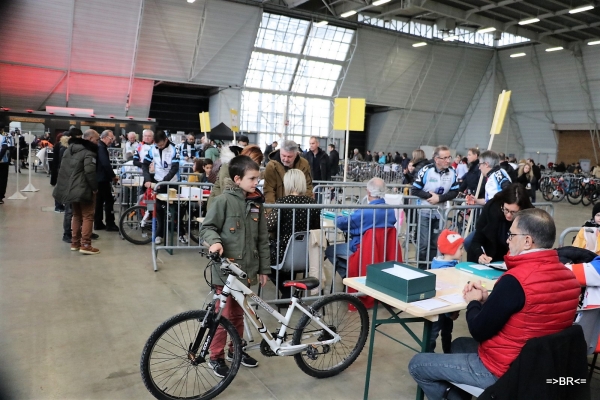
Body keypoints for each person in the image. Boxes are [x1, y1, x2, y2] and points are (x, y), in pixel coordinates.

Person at [409, 209, 581, 399]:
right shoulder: (570, 278)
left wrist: (474, 302)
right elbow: (529, 314)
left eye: (511, 235)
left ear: (527, 241)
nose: (507, 240)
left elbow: (479, 329)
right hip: (541, 368)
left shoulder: (516, 281)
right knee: (458, 345)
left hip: (504, 370)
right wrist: (488, 301)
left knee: (417, 364)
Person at [199, 155, 270, 377]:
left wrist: (264, 269)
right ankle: (216, 356)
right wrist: (216, 241)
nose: (256, 183)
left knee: (239, 315)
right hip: (226, 272)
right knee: (223, 316)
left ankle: (236, 350)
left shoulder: (256, 204)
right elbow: (207, 228)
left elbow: (262, 240)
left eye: (258, 178)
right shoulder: (223, 202)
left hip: (247, 272)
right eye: (252, 178)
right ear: (237, 179)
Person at [325, 178, 396, 277]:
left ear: (368, 192)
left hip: (362, 248)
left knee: (330, 250)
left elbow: (345, 223)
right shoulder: (390, 211)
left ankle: (348, 275)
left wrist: (337, 217)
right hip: (384, 250)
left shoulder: (365, 212)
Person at [266, 169, 320, 298]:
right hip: (306, 254)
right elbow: (316, 228)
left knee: (261, 259)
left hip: (283, 252)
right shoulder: (313, 204)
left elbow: (270, 226)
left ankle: (287, 292)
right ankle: (291, 292)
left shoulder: (282, 203)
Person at [53, 129, 101, 255]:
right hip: (84, 188)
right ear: (90, 139)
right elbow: (89, 172)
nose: (98, 143)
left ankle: (75, 242)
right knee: (88, 215)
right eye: (96, 140)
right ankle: (86, 244)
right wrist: (95, 188)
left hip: (71, 188)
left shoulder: (69, 149)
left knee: (77, 215)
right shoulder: (89, 152)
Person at [411, 145, 459, 269]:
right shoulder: (426, 170)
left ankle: (431, 269)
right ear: (437, 159)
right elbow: (415, 190)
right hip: (424, 211)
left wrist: (440, 198)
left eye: (449, 157)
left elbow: (455, 191)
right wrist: (429, 196)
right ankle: (421, 269)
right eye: (445, 158)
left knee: (435, 243)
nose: (448, 160)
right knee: (423, 243)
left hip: (440, 213)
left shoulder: (452, 172)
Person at [467, 183, 533, 264]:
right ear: (502, 204)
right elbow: (477, 239)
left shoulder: (531, 217)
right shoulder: (491, 208)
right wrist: (480, 254)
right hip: (489, 259)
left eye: (514, 212)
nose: (508, 215)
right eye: (506, 210)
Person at [142, 130, 185, 244]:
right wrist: (147, 179)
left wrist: (164, 181)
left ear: (166, 140)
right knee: (159, 209)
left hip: (172, 183)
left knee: (177, 210)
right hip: (158, 181)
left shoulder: (174, 149)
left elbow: (175, 168)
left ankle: (181, 233)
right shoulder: (153, 149)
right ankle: (159, 234)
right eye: (157, 145)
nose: (159, 147)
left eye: (161, 145)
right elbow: (145, 164)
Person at [429, 229, 464, 354]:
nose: (462, 251)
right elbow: (445, 293)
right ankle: (429, 356)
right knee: (434, 334)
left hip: (447, 309)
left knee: (445, 332)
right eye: (460, 248)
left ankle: (446, 354)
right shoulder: (445, 270)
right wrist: (451, 313)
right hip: (441, 309)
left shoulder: (442, 264)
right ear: (451, 250)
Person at [264, 140, 313, 205]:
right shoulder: (271, 166)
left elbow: (308, 187)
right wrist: (271, 211)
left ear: (296, 154)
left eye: (289, 156)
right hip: (278, 207)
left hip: (299, 207)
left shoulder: (304, 164)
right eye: (283, 155)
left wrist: (306, 207)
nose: (286, 159)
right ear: (280, 151)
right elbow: (269, 190)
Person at [94, 130, 118, 232]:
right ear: (105, 137)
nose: (111, 141)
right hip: (102, 179)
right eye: (111, 138)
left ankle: (98, 222)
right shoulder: (101, 148)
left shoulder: (100, 147)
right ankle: (110, 223)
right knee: (109, 201)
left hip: (99, 179)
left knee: (99, 202)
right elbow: (105, 164)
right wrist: (113, 176)